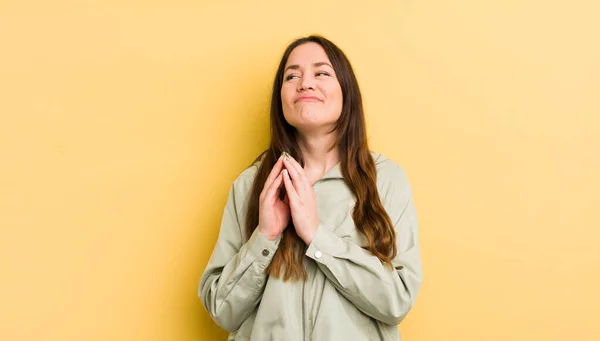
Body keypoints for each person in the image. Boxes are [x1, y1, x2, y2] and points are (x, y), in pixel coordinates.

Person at [199, 35, 422, 341]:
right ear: (281, 98)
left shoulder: (386, 180)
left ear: (347, 92)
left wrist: (317, 235)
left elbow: (397, 301)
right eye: (292, 76)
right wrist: (265, 237)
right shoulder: (251, 185)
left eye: (321, 73)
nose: (305, 83)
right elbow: (222, 311)